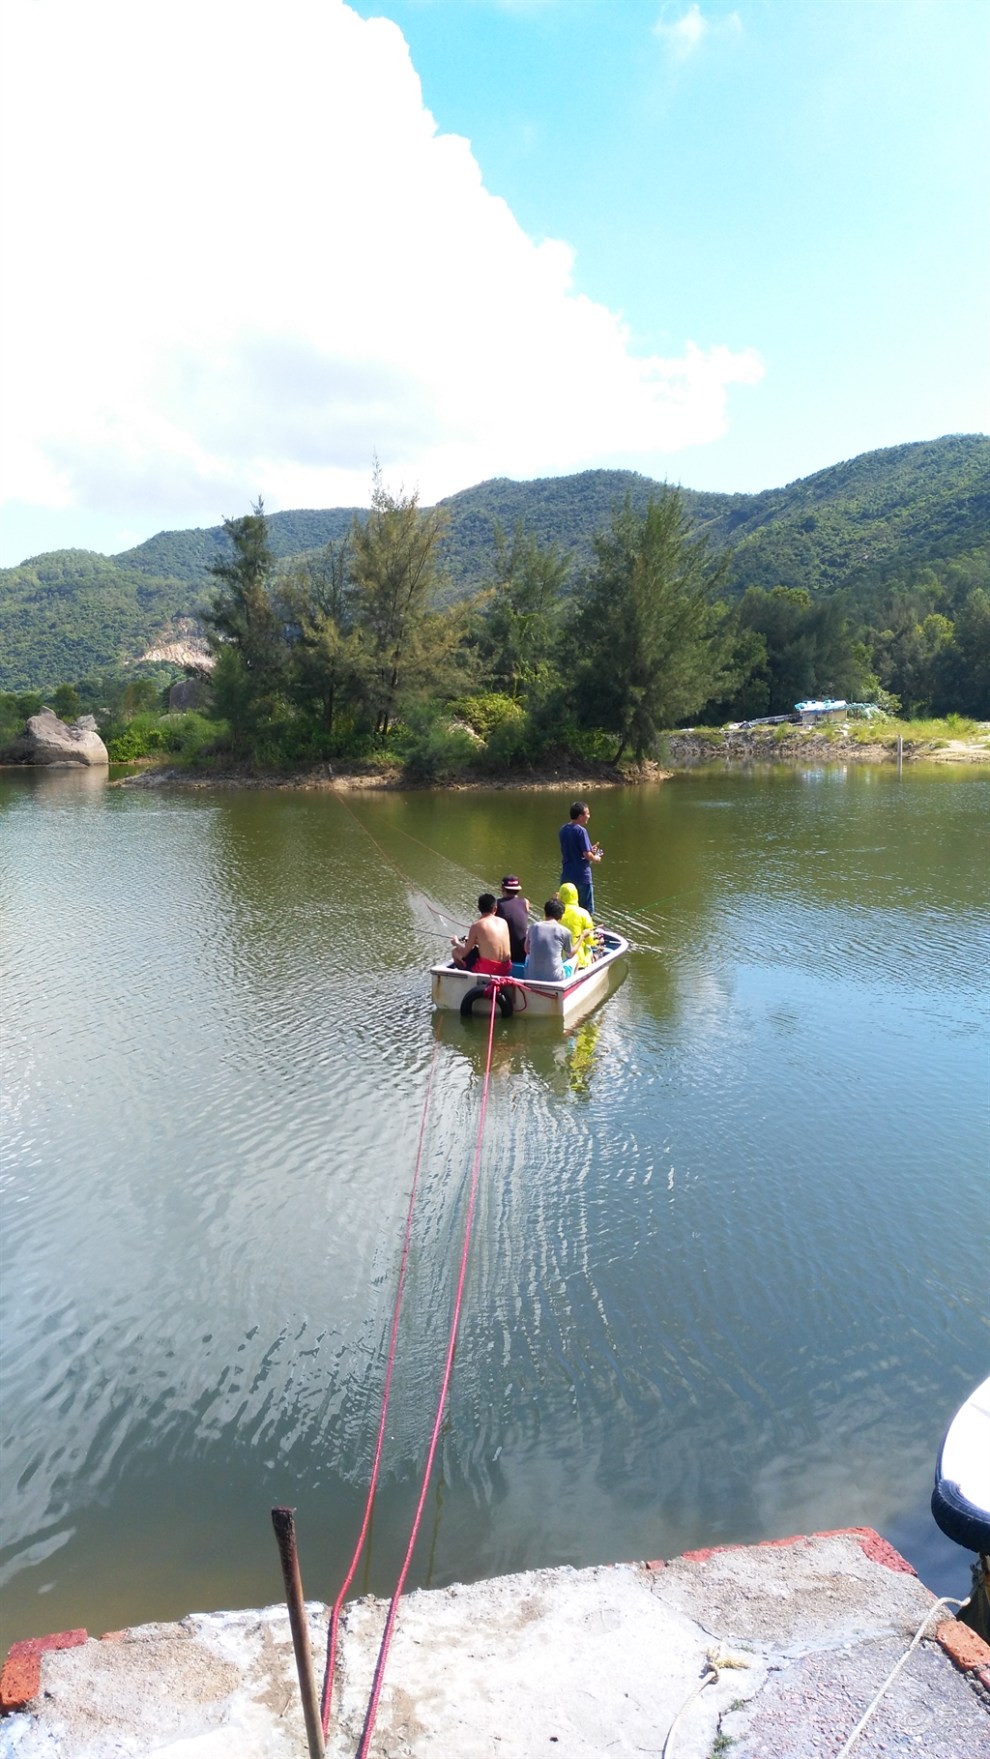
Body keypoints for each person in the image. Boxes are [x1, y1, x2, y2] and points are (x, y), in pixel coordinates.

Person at [559, 800, 602, 915]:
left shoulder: (563, 829)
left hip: (566, 876)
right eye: (587, 813)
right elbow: (587, 855)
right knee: (585, 911)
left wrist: (589, 849)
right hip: (581, 877)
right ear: (580, 816)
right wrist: (596, 858)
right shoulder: (581, 831)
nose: (589, 816)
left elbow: (573, 849)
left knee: (566, 910)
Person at [451, 894, 512, 975]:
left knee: (455, 952)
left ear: (479, 908)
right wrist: (475, 941)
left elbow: (465, 953)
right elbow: (491, 942)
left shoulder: (477, 925)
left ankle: (465, 977)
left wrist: (456, 943)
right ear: (495, 909)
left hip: (488, 970)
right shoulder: (503, 922)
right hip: (506, 968)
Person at [524, 899, 573, 982]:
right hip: (555, 979)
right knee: (575, 958)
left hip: (530, 977)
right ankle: (571, 987)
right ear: (561, 916)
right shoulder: (565, 931)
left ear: (545, 912)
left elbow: (526, 950)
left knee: (529, 956)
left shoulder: (534, 927)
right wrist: (581, 937)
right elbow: (569, 954)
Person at [557, 881, 596, 969]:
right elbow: (590, 941)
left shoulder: (553, 913)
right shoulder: (583, 913)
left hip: (555, 959)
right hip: (577, 961)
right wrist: (598, 941)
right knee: (591, 950)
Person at [495, 876, 530, 966]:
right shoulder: (525, 902)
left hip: (505, 955)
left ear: (502, 889)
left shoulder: (497, 904)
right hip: (522, 953)